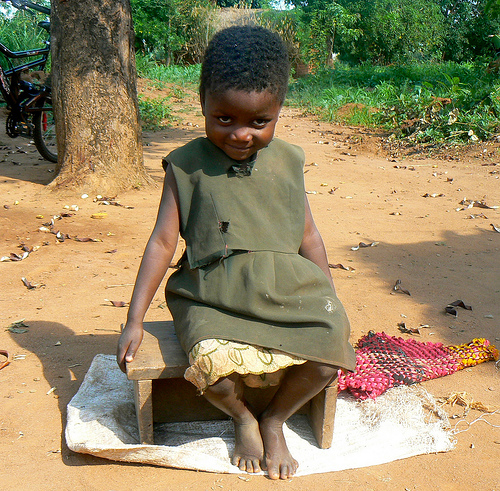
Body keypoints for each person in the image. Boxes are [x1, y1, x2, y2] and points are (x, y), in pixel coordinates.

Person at [117, 25, 356, 480]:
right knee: (208, 364)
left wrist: (328, 297)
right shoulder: (185, 165)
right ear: (203, 101)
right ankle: (243, 416)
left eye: (258, 122)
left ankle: (275, 418)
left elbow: (310, 238)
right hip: (210, 294)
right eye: (224, 118)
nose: (241, 134)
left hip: (285, 289)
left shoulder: (288, 161)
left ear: (278, 111)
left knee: (331, 350)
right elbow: (163, 242)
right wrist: (134, 320)